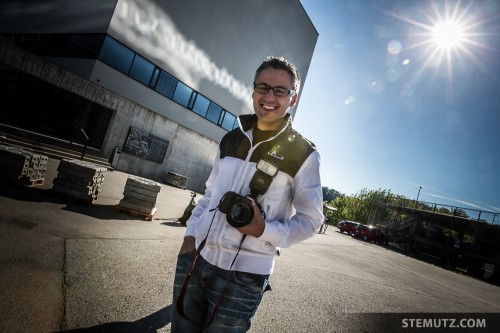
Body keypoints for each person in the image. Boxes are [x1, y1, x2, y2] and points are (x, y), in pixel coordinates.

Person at [171, 55, 324, 332]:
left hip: (245, 278)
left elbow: (312, 220)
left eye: (280, 90)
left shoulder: (304, 154)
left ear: (293, 98)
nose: (269, 96)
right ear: (253, 90)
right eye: (263, 87)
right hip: (197, 259)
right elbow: (208, 195)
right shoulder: (231, 138)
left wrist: (263, 229)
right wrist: (190, 235)